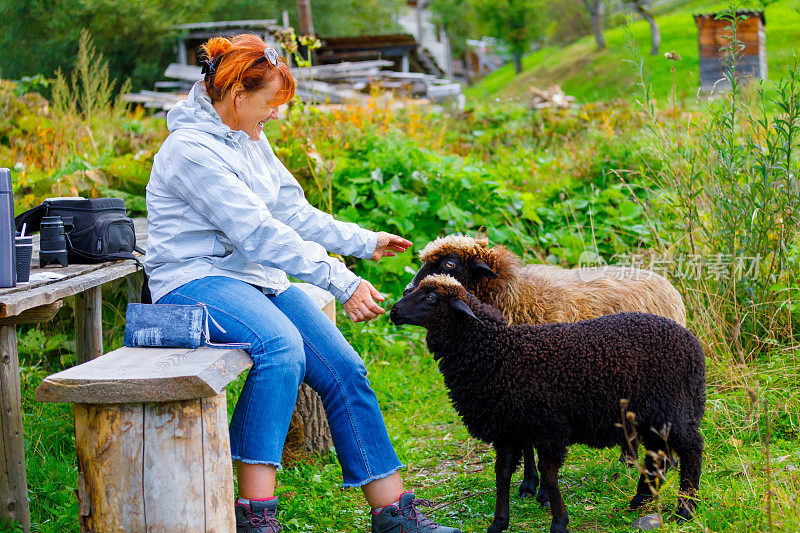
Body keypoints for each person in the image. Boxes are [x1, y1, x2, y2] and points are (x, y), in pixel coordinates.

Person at [144, 34, 461, 533]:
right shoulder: (189, 151)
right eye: (269, 103)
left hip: (252, 277)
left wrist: (362, 240)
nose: (274, 114)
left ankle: (393, 514)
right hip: (194, 280)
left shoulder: (248, 136)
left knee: (344, 368)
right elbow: (258, 231)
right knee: (282, 349)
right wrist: (340, 280)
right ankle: (254, 517)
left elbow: (290, 209)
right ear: (236, 95)